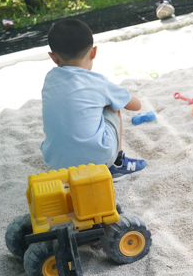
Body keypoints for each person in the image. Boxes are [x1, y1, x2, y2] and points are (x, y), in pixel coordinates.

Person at [40, 19, 147, 180]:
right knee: (112, 106)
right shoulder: (98, 82)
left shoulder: (50, 79)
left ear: (53, 57)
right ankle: (117, 163)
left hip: (57, 162)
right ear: (93, 52)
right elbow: (136, 106)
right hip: (98, 160)